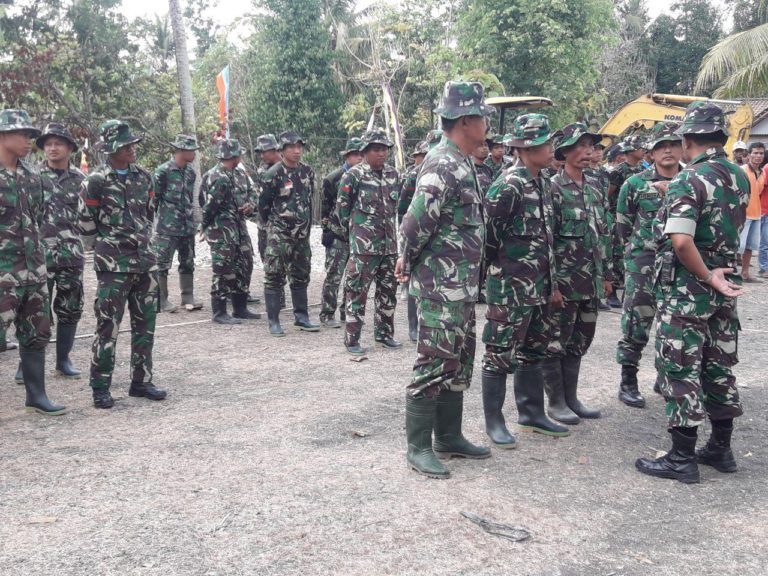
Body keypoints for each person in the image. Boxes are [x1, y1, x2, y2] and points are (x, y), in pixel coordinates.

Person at [636, 102, 750, 484]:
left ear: (688, 141)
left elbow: (682, 242)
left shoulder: (690, 179)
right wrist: (718, 277)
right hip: (724, 287)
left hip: (689, 290)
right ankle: (721, 448)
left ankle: (681, 458)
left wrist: (706, 275)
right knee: (718, 366)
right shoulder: (739, 176)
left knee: (679, 367)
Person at [397, 81, 493, 479]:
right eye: (483, 115)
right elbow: (415, 221)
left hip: (462, 287)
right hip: (441, 286)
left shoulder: (462, 158)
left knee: (457, 361)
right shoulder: (442, 162)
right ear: (467, 120)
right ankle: (418, 446)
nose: (487, 122)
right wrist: (408, 262)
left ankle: (449, 436)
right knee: (434, 362)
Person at [481, 113, 569, 446]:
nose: (551, 148)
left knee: (534, 351)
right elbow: (489, 238)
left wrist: (554, 284)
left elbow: (548, 239)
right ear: (527, 147)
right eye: (546, 143)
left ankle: (532, 414)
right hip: (510, 288)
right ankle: (495, 423)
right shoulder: (508, 185)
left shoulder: (546, 182)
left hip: (541, 287)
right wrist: (497, 278)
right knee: (500, 353)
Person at [82, 120, 167, 409]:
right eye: (125, 145)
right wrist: (106, 249)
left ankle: (141, 381)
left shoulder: (144, 177)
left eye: (132, 144)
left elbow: (149, 214)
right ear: (111, 149)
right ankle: (100, 386)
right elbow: (86, 224)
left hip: (145, 262)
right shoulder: (97, 180)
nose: (131, 149)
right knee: (108, 326)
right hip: (113, 266)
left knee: (146, 325)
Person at [541, 123, 611, 425]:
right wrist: (552, 285)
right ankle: (556, 402)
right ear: (565, 151)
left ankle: (571, 398)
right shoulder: (553, 188)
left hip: (590, 283)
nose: (587, 151)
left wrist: (608, 276)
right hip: (565, 285)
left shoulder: (595, 188)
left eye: (590, 146)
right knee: (556, 341)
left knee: (580, 342)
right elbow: (547, 241)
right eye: (580, 146)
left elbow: (604, 235)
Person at [0, 109, 66, 415]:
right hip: (2, 272)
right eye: (23, 135)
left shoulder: (32, 177)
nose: (30, 141)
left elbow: (37, 218)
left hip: (33, 269)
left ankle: (36, 396)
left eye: (30, 135)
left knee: (36, 332)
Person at [615, 122, 683, 408]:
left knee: (674, 324)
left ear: (682, 148)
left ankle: (664, 377)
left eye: (672, 144)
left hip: (680, 262)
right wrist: (632, 258)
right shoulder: (635, 183)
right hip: (644, 263)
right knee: (636, 323)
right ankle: (628, 380)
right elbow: (623, 225)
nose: (667, 150)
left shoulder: (691, 181)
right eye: (660, 146)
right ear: (651, 152)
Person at [333, 129, 400, 354]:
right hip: (364, 248)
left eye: (384, 150)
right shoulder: (354, 175)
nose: (381, 154)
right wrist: (354, 236)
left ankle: (384, 334)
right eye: (376, 150)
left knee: (388, 292)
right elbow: (342, 209)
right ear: (365, 151)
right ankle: (352, 340)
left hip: (389, 246)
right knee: (357, 292)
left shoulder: (393, 175)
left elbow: (397, 208)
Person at [259, 131, 320, 336]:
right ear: (282, 150)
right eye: (292, 147)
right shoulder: (274, 173)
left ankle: (301, 318)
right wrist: (274, 226)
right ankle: (274, 321)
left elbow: (310, 200)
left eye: (299, 147)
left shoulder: (308, 172)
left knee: (301, 275)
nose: (297, 151)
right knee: (274, 275)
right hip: (280, 234)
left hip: (302, 235)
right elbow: (264, 205)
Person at [200, 139, 261, 324]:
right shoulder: (216, 176)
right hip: (221, 231)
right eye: (239, 154)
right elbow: (208, 206)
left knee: (245, 264)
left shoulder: (240, 174)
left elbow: (253, 192)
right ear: (233, 156)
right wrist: (203, 226)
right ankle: (219, 312)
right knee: (223, 269)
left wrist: (250, 206)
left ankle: (240, 308)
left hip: (239, 229)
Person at [152, 134, 203, 313]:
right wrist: (152, 226)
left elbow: (189, 198)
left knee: (188, 261)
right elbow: (154, 200)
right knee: (162, 264)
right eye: (191, 150)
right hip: (167, 226)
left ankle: (187, 297)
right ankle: (161, 300)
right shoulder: (162, 171)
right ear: (181, 150)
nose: (194, 154)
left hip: (187, 225)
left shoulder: (190, 172)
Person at [319, 137, 363, 328]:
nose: (359, 158)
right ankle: (327, 313)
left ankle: (348, 312)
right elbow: (325, 207)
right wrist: (326, 230)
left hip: (358, 235)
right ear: (347, 156)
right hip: (338, 234)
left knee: (354, 277)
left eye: (361, 154)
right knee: (333, 276)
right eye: (355, 155)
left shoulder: (365, 177)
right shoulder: (333, 178)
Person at [607, 136, 645, 307]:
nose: (643, 150)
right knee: (616, 254)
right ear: (631, 150)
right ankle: (612, 292)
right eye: (640, 147)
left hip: (636, 218)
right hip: (619, 218)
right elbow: (608, 195)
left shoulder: (642, 170)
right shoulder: (618, 171)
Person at [398, 140, 429, 342]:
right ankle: (413, 326)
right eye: (424, 154)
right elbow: (403, 207)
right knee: (410, 277)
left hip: (435, 233)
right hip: (414, 229)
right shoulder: (413, 175)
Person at [738, 141, 765, 282]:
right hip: (742, 214)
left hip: (756, 213)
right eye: (755, 153)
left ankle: (745, 273)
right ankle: (729, 273)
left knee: (750, 247)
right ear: (748, 155)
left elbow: (758, 192)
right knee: (738, 246)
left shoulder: (762, 172)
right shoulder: (742, 170)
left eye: (761, 153)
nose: (758, 156)